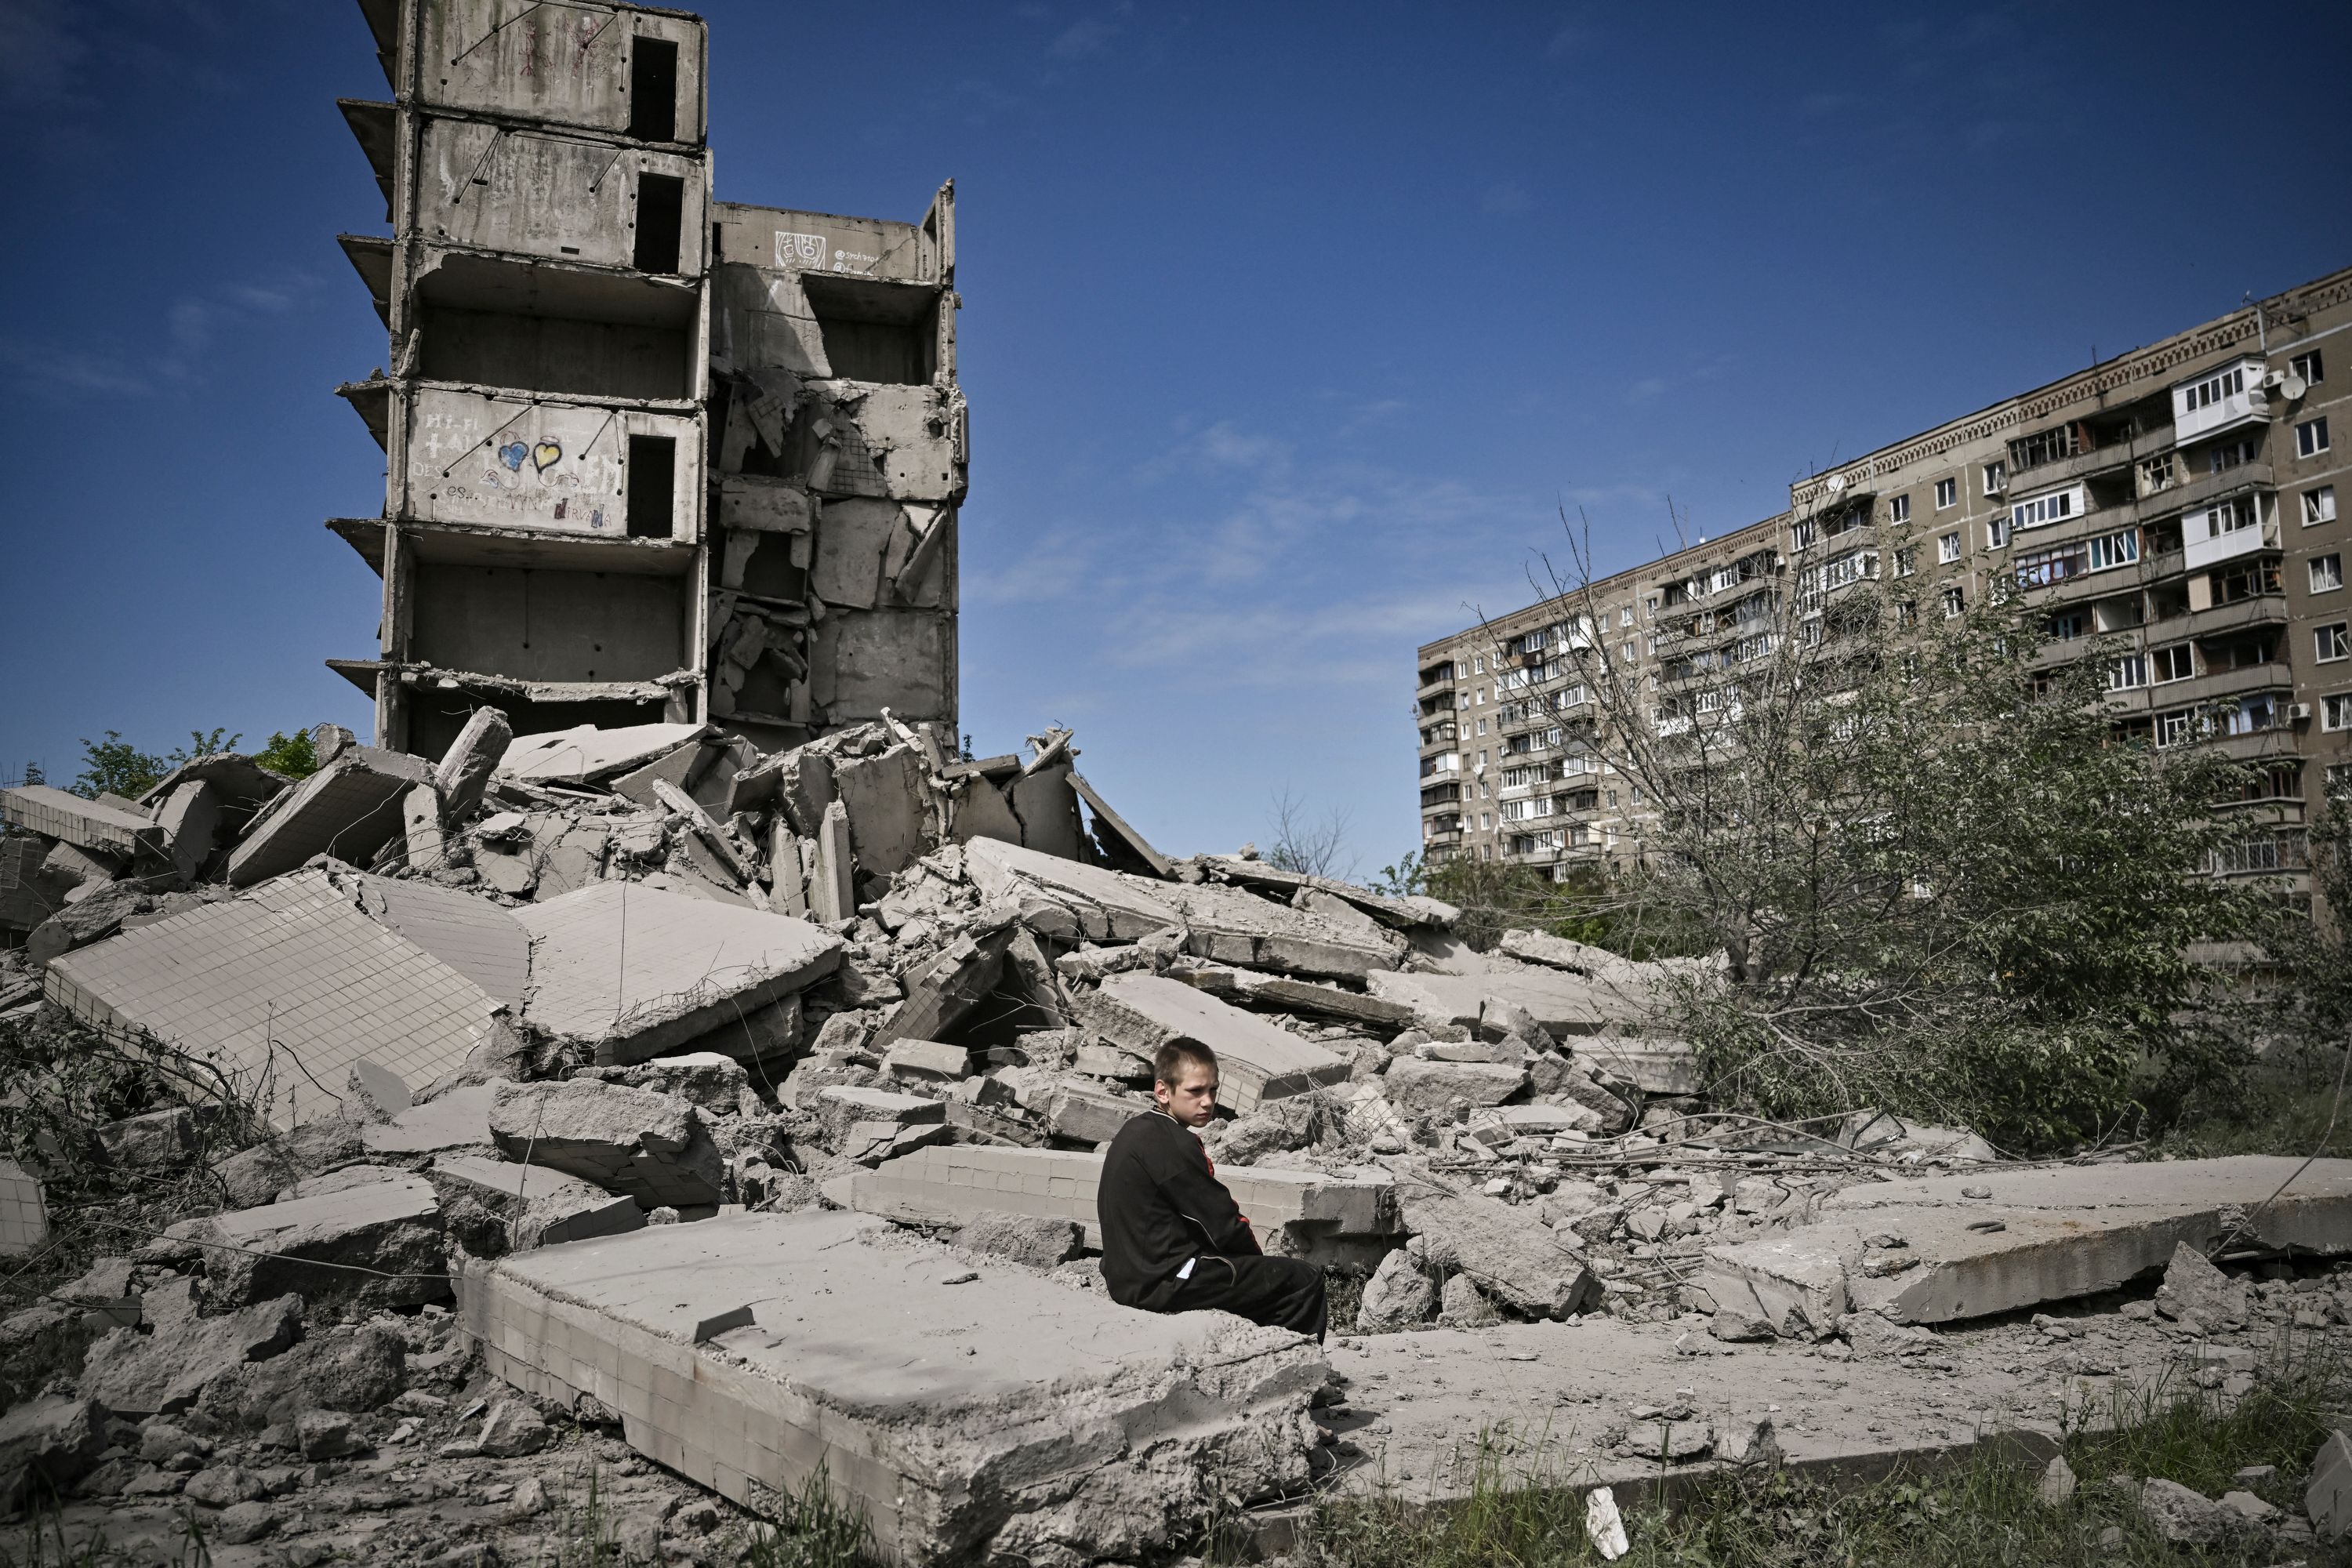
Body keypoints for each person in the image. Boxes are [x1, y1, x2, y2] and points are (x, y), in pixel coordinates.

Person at [1095, 1036, 1327, 1339]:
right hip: (1162, 1282)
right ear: (1163, 1091)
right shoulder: (1174, 1144)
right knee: (1304, 1280)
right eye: (1195, 1091)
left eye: (1212, 1089)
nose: (1207, 1101)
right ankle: (1296, 1365)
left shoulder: (1136, 1130)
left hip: (1130, 1276)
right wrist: (1257, 1266)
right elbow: (1224, 1224)